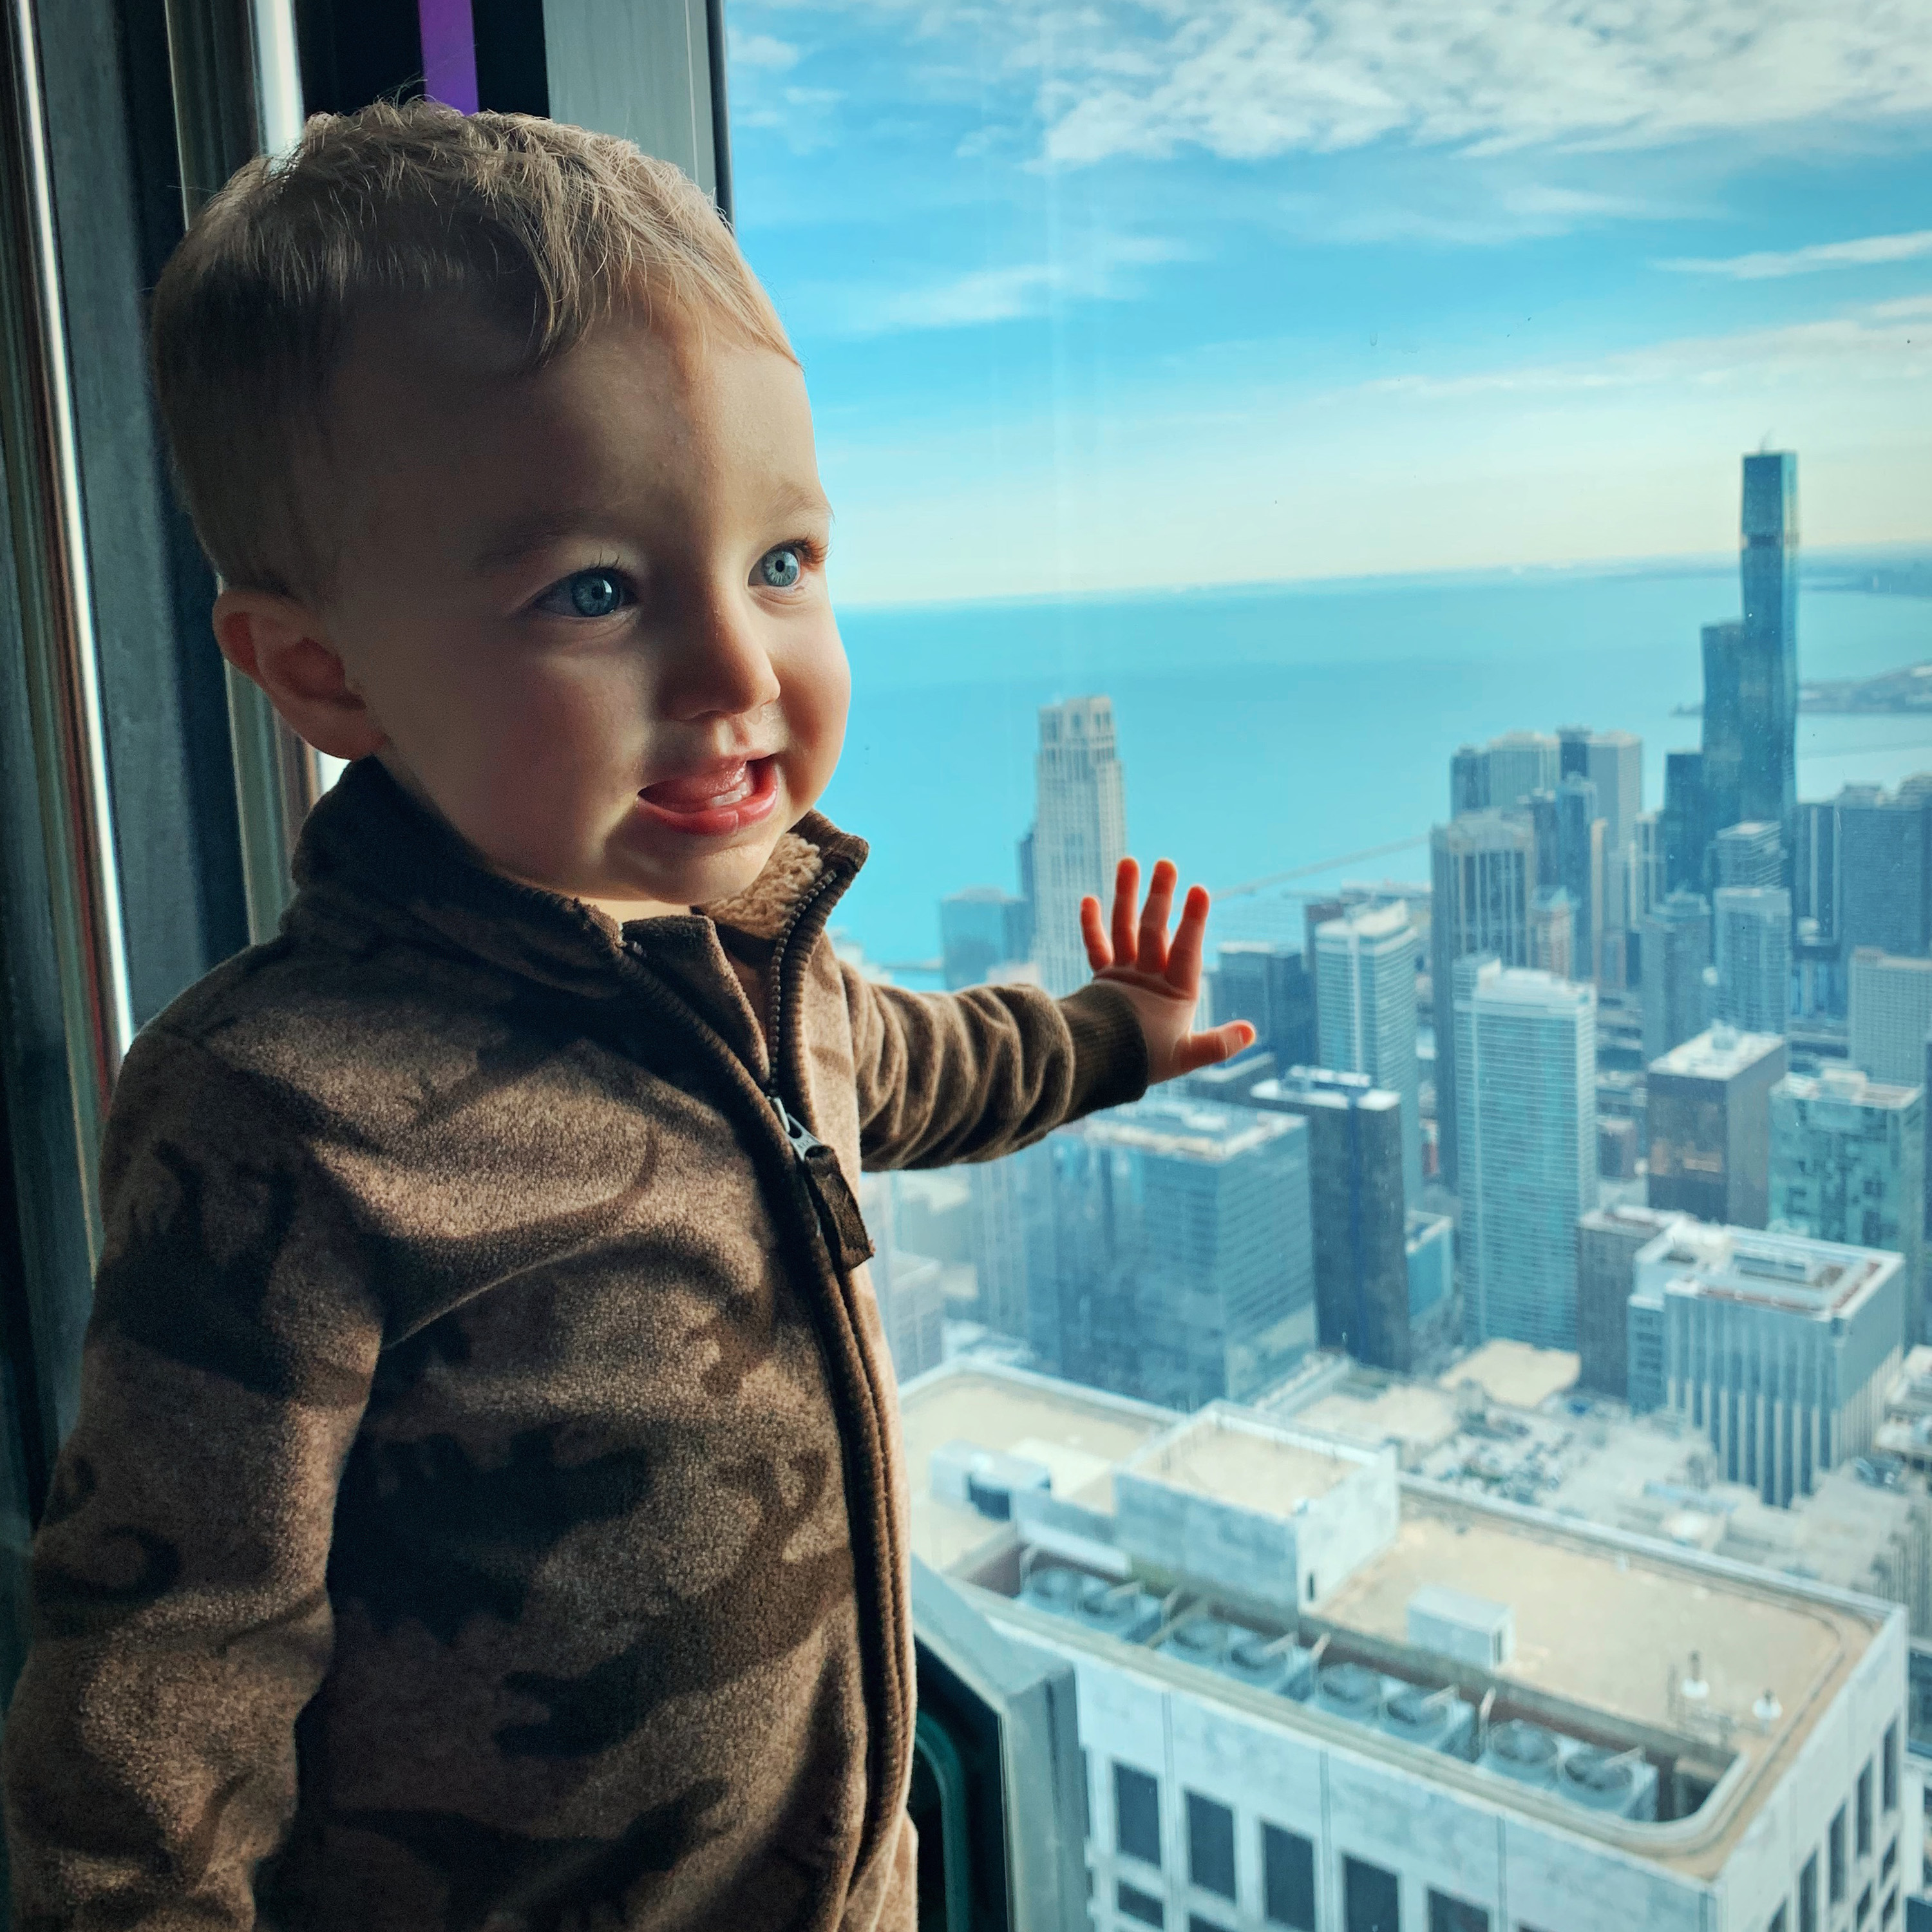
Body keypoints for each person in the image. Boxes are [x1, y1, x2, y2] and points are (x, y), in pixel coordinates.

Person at [0, 101, 1252, 1932]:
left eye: (784, 564)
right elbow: (162, 1687)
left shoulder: (752, 954)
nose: (740, 673)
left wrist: (1101, 1041)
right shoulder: (282, 1115)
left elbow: (904, 1070)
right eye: (598, 591)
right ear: (322, 670)